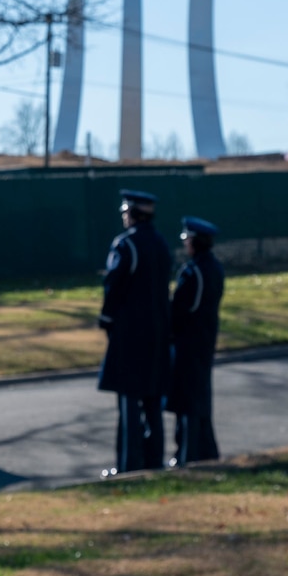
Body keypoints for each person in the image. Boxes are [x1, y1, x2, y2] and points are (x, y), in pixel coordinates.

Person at [98, 189, 171, 475]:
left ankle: (129, 464)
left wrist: (106, 318)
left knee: (129, 400)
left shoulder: (127, 245)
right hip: (158, 334)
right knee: (153, 401)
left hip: (130, 334)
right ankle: (154, 462)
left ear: (132, 214)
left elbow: (114, 284)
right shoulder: (161, 244)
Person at [166, 216, 224, 464]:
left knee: (188, 399)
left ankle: (188, 452)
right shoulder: (213, 267)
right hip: (203, 339)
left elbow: (183, 308)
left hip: (189, 341)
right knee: (200, 396)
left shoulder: (195, 272)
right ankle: (205, 449)